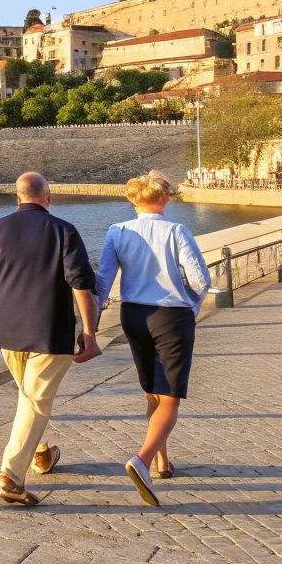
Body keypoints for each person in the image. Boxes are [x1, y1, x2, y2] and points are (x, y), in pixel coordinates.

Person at [0, 172, 101, 506]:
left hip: (8, 332)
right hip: (50, 331)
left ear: (17, 197)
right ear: (48, 197)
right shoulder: (63, 231)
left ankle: (41, 454)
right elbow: (81, 287)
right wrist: (89, 333)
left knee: (30, 397)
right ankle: (10, 476)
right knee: (35, 401)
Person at [94, 171, 209, 508]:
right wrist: (191, 307)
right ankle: (142, 460)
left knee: (152, 393)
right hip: (171, 316)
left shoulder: (117, 231)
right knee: (170, 397)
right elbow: (200, 279)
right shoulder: (176, 231)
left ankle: (163, 460)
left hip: (134, 316)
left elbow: (103, 282)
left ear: (133, 201)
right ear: (164, 199)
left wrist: (92, 325)